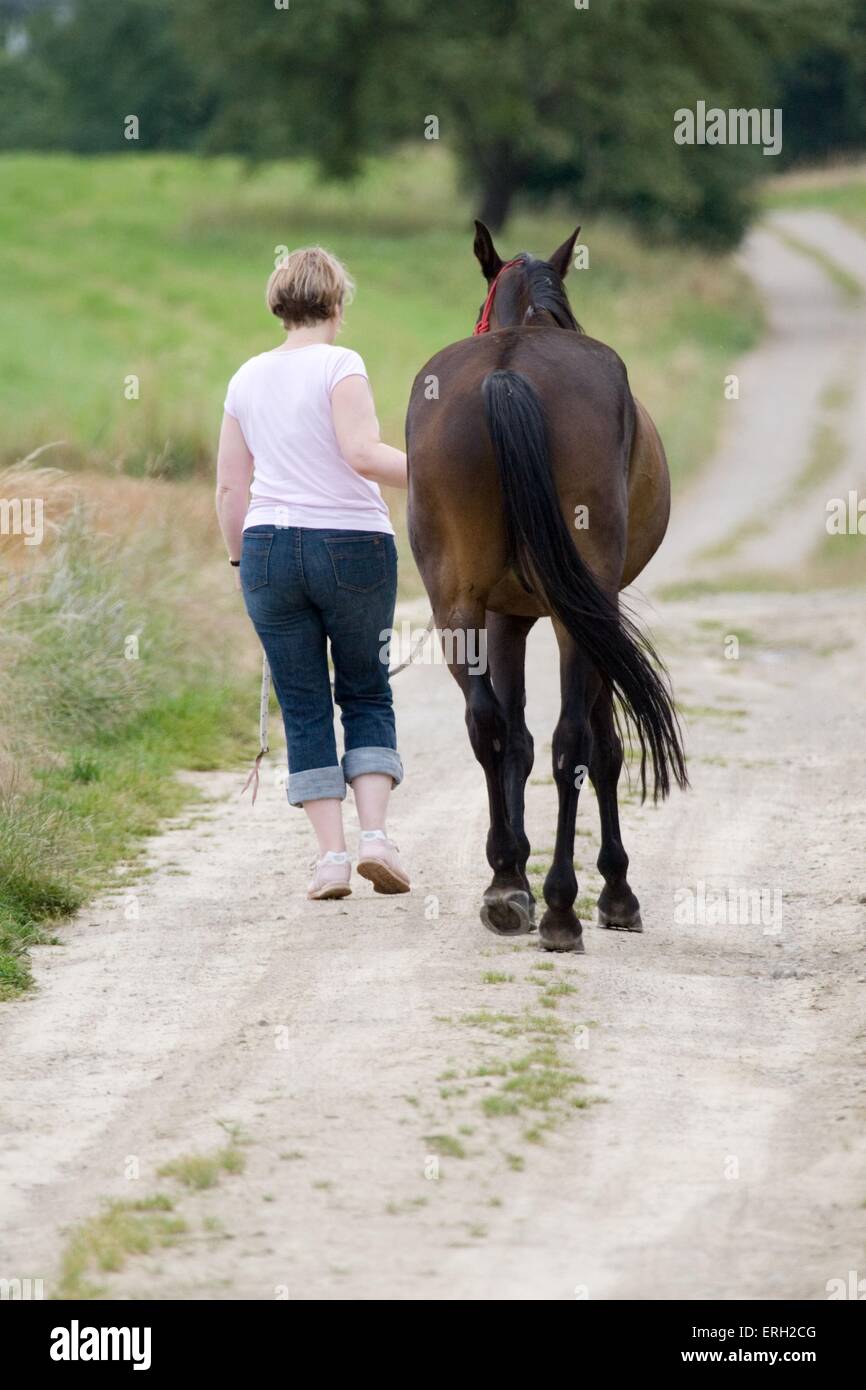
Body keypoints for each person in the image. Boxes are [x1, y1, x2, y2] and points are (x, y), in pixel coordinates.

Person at [215, 247, 410, 901]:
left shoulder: (244, 378)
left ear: (279, 304)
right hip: (351, 544)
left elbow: (227, 490)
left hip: (268, 547)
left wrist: (243, 561)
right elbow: (361, 453)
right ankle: (376, 841)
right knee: (365, 691)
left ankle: (330, 859)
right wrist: (444, 473)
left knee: (302, 705)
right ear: (336, 304)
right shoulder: (340, 365)